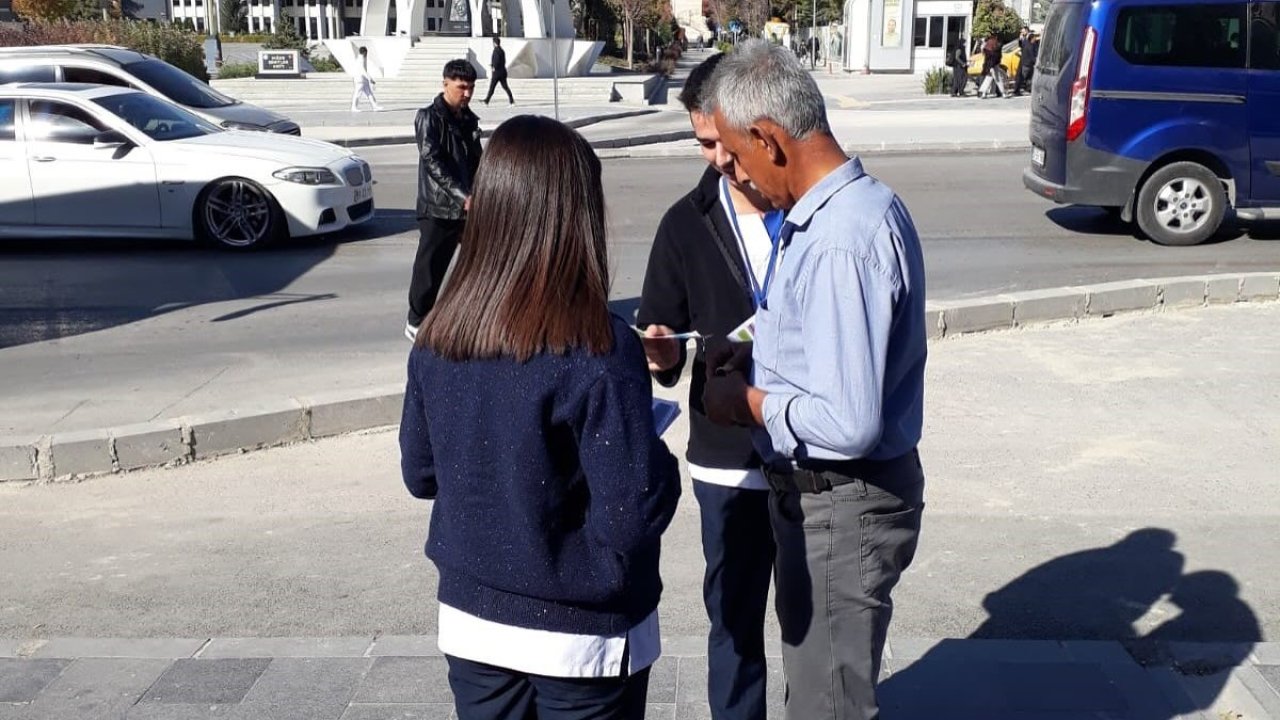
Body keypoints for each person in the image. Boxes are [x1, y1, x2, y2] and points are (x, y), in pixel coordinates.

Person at [400, 114, 683, 720]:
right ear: (574, 218)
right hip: (583, 634)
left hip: (473, 619)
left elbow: (420, 473)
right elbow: (631, 516)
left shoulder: (440, 334)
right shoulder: (598, 348)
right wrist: (657, 459)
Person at [701, 40, 928, 720]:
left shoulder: (839, 238)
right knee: (819, 692)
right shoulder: (835, 215)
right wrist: (756, 360)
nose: (731, 173)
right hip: (829, 503)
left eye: (735, 156)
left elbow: (848, 421)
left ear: (769, 140)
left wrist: (746, 402)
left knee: (826, 706)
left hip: (843, 502)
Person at [637, 52, 778, 720]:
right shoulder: (684, 222)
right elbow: (661, 349)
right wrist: (660, 352)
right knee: (735, 624)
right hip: (729, 462)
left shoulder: (814, 205)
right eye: (703, 142)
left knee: (817, 629)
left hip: (819, 452)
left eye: (725, 140)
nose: (717, 157)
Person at [406, 59, 482, 341]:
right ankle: (417, 320)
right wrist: (464, 197)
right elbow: (432, 162)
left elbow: (477, 159)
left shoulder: (468, 118)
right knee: (430, 269)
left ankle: (466, 315)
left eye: (471, 88)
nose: (467, 93)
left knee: (477, 262)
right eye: (462, 87)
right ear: (445, 83)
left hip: (468, 207)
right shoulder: (428, 117)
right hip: (438, 208)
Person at [483, 35, 515, 105]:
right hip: (502, 71)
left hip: (497, 72)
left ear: (494, 43)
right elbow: (503, 61)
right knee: (505, 87)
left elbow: (496, 61)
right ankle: (512, 101)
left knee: (492, 87)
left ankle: (486, 100)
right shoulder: (502, 50)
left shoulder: (496, 50)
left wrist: (493, 66)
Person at [350, 46, 382, 112]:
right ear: (364, 52)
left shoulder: (361, 58)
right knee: (357, 94)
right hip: (360, 80)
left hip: (363, 79)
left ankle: (375, 107)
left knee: (369, 93)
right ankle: (353, 107)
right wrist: (370, 79)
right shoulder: (360, 60)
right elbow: (363, 71)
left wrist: (368, 79)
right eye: (366, 53)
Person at [1013, 27, 1038, 96]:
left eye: (1023, 32)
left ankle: (1022, 89)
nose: (1022, 33)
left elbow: (1032, 51)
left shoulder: (1031, 38)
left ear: (1027, 31)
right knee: (1020, 76)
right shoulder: (1024, 39)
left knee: (1025, 76)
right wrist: (1020, 40)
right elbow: (1021, 46)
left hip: (1027, 61)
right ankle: (1017, 90)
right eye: (1021, 32)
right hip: (1024, 60)